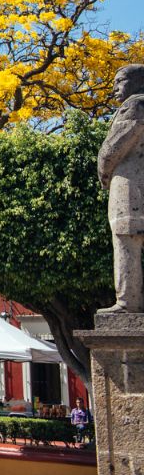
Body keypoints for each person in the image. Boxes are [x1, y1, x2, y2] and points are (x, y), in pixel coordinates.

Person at [98, 64, 144, 313]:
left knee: (127, 240)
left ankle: (127, 302)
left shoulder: (135, 106)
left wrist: (103, 171)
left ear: (138, 82)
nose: (115, 88)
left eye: (120, 81)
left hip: (130, 185)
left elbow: (113, 149)